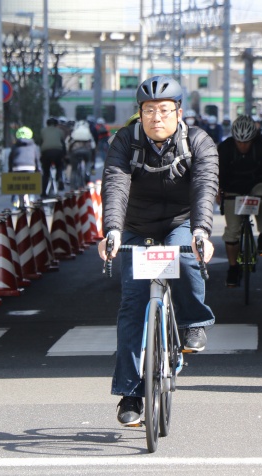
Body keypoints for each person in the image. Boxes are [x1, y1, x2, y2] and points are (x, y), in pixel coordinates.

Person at [97, 76, 218, 426]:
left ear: (179, 111)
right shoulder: (125, 141)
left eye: (164, 110)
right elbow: (116, 184)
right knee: (133, 307)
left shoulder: (198, 141)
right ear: (140, 113)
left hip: (181, 222)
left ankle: (194, 321)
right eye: (148, 110)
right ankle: (130, 394)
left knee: (184, 254)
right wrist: (113, 232)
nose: (156, 117)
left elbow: (204, 187)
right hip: (136, 228)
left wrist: (201, 232)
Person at [218, 115, 262, 287]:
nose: (243, 146)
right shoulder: (225, 148)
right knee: (232, 231)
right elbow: (218, 172)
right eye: (239, 142)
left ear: (254, 138)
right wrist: (218, 190)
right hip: (233, 186)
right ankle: (233, 268)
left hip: (256, 183)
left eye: (247, 142)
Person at [8, 126, 41, 207]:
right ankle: (31, 199)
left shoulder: (15, 146)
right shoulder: (33, 146)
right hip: (30, 168)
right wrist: (39, 170)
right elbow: (37, 159)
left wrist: (10, 170)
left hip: (17, 167)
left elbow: (10, 159)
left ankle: (15, 200)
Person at [39, 117, 66, 196]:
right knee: (59, 166)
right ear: (56, 124)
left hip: (46, 152)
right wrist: (64, 155)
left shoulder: (43, 131)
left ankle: (43, 192)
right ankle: (59, 178)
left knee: (46, 173)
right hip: (58, 151)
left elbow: (41, 143)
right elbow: (63, 144)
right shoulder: (60, 131)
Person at [66, 120, 96, 188]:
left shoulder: (74, 132)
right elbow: (93, 145)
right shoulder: (88, 132)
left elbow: (68, 142)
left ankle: (72, 186)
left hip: (75, 151)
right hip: (86, 151)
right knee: (88, 162)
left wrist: (68, 153)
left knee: (74, 169)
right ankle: (87, 173)